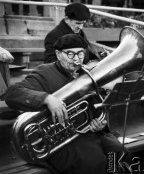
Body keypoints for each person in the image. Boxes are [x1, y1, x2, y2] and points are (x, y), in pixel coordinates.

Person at [4, 34, 132, 174]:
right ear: (58, 54)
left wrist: (99, 123)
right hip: (59, 141)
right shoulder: (45, 72)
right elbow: (12, 94)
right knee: (93, 162)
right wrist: (47, 99)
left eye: (80, 53)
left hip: (87, 133)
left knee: (120, 154)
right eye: (70, 54)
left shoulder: (85, 73)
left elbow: (95, 107)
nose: (76, 58)